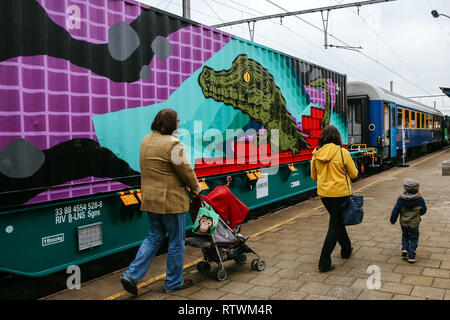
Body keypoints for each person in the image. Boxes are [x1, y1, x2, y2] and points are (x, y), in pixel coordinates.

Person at [120, 108, 202, 295]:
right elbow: (186, 171)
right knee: (176, 242)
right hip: (171, 201)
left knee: (154, 237)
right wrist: (196, 188)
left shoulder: (146, 140)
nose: (178, 124)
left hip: (151, 200)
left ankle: (131, 276)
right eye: (177, 121)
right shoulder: (173, 144)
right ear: (172, 123)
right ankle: (173, 283)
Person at [311, 125, 358, 273]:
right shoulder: (343, 153)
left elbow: (313, 176)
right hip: (341, 194)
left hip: (325, 196)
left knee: (338, 221)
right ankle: (324, 262)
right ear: (337, 137)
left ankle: (346, 249)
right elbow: (354, 174)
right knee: (335, 225)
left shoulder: (316, 154)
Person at [389, 178, 427, 264]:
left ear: (405, 189)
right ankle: (412, 256)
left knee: (405, 235)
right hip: (414, 224)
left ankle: (405, 249)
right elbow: (424, 210)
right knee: (413, 239)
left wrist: (392, 220)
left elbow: (396, 210)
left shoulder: (401, 199)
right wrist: (419, 214)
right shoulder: (419, 199)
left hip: (404, 223)